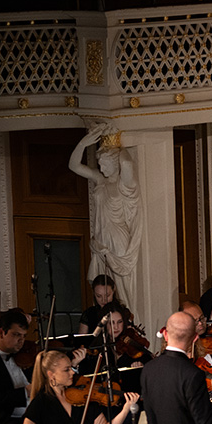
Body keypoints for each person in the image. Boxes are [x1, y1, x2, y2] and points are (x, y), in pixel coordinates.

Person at [68, 127, 142, 310]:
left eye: (105, 164)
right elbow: (74, 165)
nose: (101, 167)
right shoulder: (99, 180)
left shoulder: (124, 185)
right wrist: (83, 143)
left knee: (121, 289)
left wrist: (118, 140)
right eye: (100, 164)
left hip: (118, 239)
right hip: (101, 238)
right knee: (101, 290)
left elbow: (127, 164)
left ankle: (126, 322)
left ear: (115, 163)